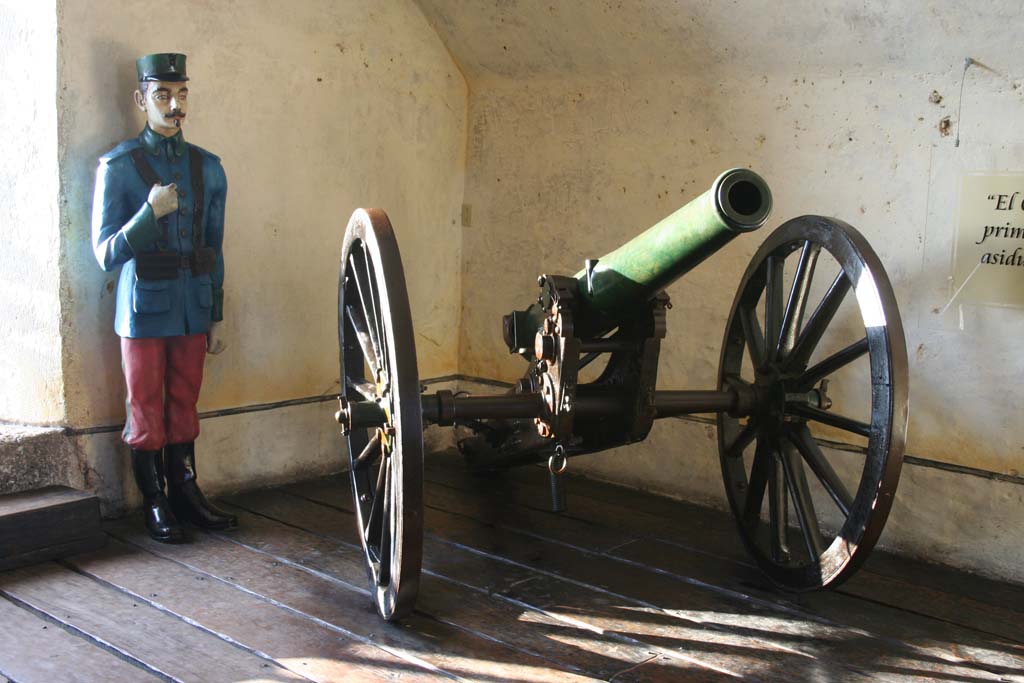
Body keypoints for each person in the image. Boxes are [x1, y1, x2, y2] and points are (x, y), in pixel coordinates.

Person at [91, 53, 237, 542]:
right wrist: (148, 215)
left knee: (185, 400)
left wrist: (215, 311)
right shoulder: (119, 167)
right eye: (162, 95)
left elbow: (213, 246)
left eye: (181, 94)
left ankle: (186, 491)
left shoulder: (208, 169)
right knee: (146, 405)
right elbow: (106, 252)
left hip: (192, 304)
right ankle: (154, 499)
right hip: (143, 308)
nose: (175, 106)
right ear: (141, 100)